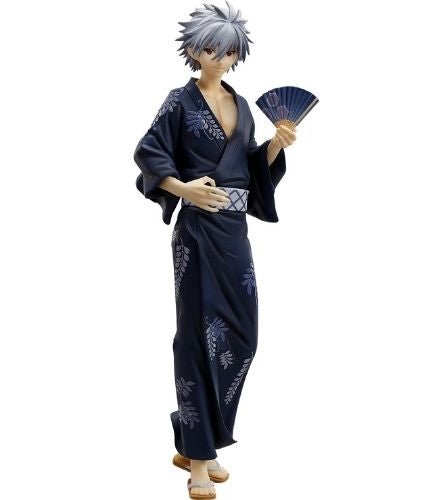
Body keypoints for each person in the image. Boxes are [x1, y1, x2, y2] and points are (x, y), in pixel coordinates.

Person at [133, 1, 296, 498]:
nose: (219, 58)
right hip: (197, 234)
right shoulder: (179, 102)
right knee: (198, 336)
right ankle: (200, 460)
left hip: (233, 234)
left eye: (227, 51)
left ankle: (193, 439)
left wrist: (275, 146)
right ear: (194, 50)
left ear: (236, 54)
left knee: (242, 336)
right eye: (210, 48)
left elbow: (248, 166)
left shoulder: (241, 104)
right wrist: (182, 188)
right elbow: (148, 151)